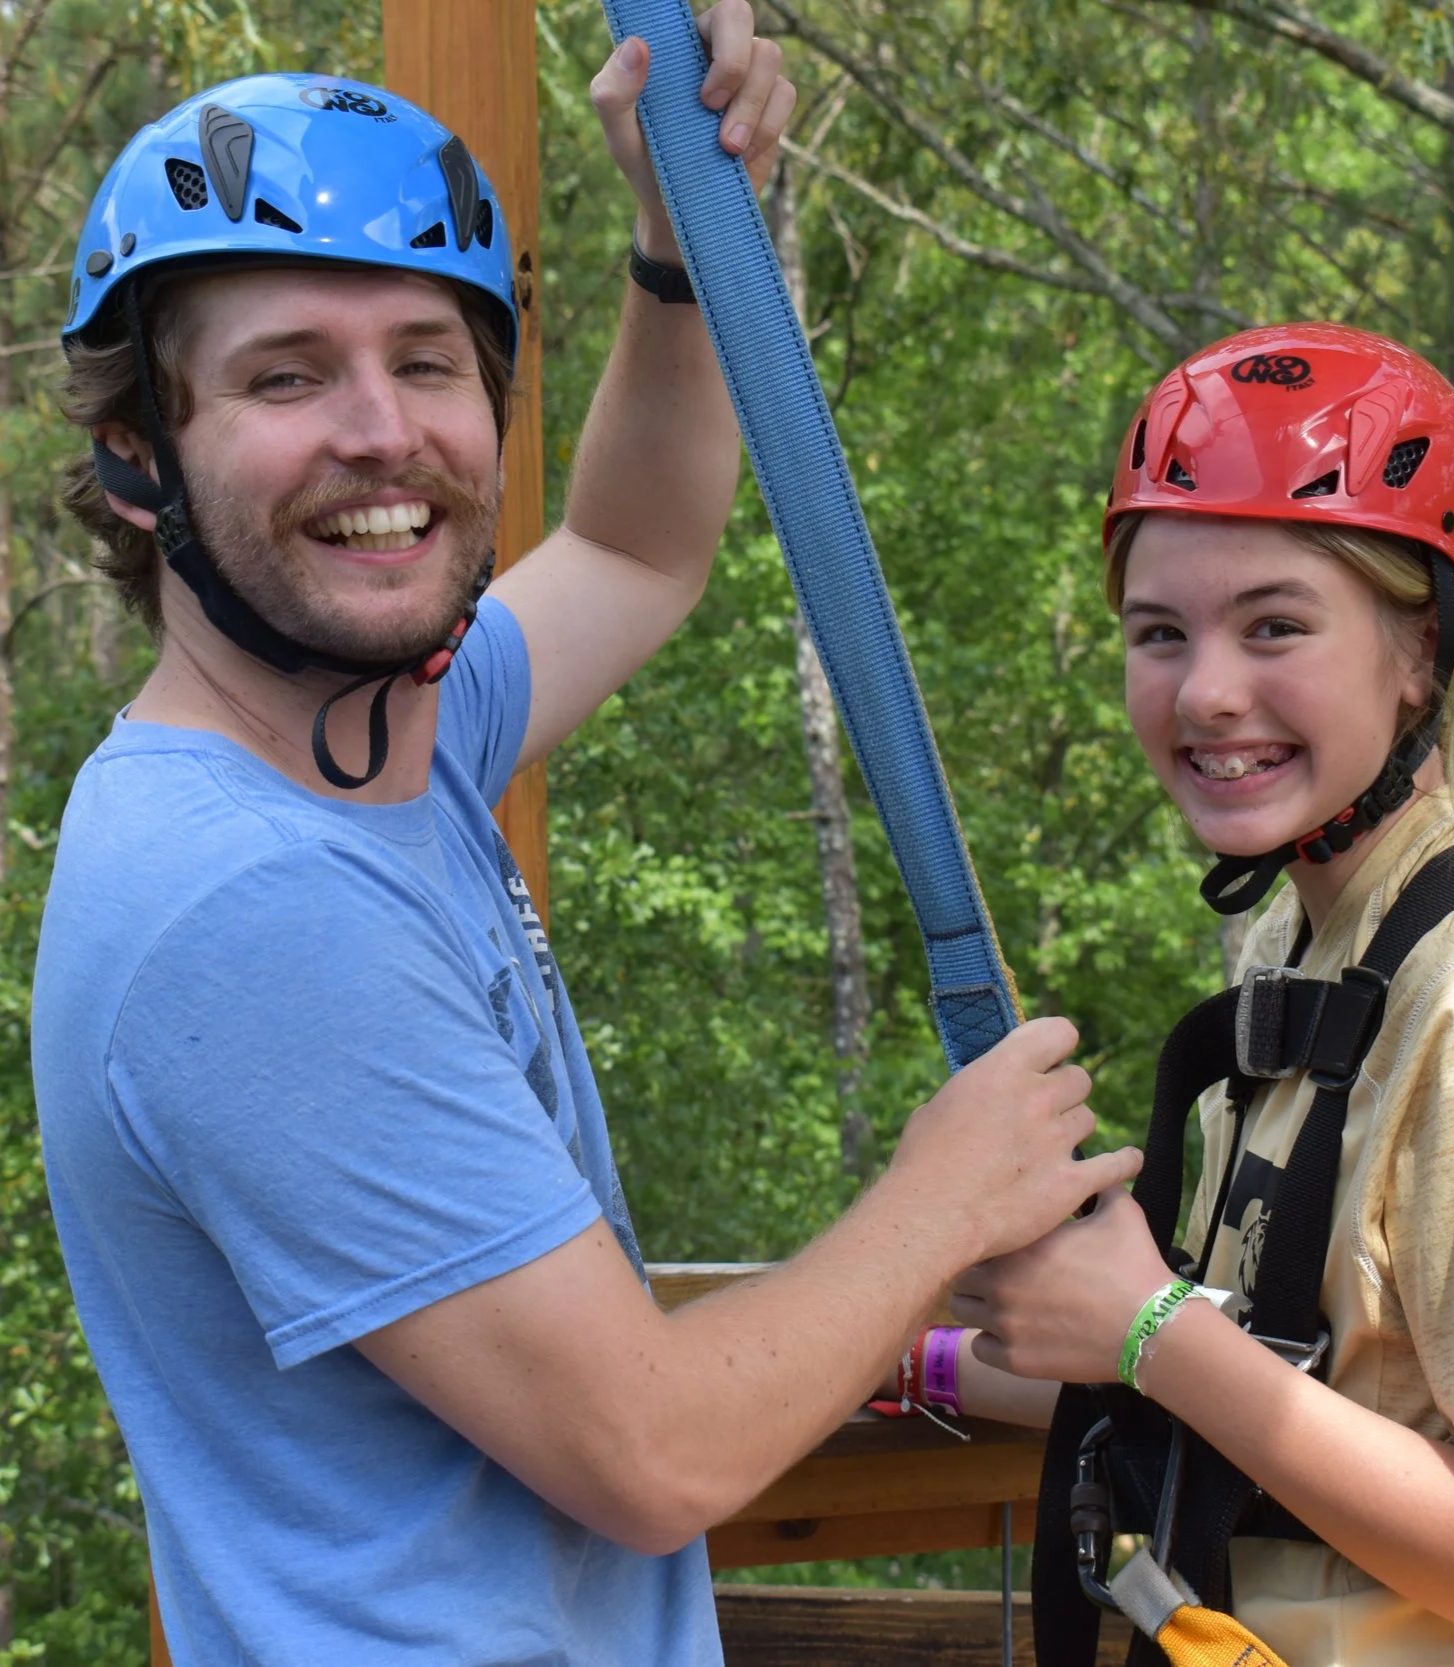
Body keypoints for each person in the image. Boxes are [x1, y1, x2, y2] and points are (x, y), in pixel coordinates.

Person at [31, 16, 1139, 1663]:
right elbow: (653, 1449)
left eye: (426, 358)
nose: (379, 430)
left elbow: (631, 545)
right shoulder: (256, 903)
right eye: (285, 374)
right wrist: (946, 1199)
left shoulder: (384, 747)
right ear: (137, 459)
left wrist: (677, 240)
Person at [926, 325, 1454, 1664]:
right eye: (1160, 632)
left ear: (1418, 653)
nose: (1206, 691)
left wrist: (1147, 1329)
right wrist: (899, 1352)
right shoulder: (1328, 963)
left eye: (1273, 625)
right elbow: (1286, 1399)